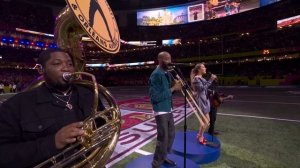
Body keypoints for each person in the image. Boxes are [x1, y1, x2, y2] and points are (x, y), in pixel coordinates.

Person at [0, 48, 104, 168]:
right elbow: (3, 154)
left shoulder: (89, 93)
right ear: (40, 69)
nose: (66, 68)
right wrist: (53, 142)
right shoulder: (15, 105)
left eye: (70, 64)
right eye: (57, 63)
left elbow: (102, 124)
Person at [149, 51, 182, 168]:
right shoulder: (156, 74)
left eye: (170, 58)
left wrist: (174, 84)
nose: (169, 61)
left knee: (171, 134)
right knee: (163, 137)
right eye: (167, 59)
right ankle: (156, 162)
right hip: (161, 110)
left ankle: (164, 156)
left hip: (168, 108)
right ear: (160, 60)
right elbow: (155, 97)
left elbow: (168, 90)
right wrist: (173, 89)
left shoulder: (167, 73)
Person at [190, 63, 217, 145]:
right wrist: (211, 80)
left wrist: (210, 91)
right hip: (201, 101)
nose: (205, 68)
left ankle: (199, 135)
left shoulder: (200, 78)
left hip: (205, 100)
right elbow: (201, 89)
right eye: (203, 67)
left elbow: (205, 88)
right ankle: (200, 136)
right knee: (206, 120)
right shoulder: (196, 79)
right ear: (199, 69)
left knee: (204, 121)